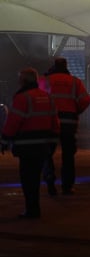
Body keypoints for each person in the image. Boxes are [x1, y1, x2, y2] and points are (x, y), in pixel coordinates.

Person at [0, 67, 61, 219]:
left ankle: (32, 210)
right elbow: (55, 120)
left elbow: (13, 122)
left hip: (27, 145)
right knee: (36, 176)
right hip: (43, 145)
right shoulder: (47, 97)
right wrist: (53, 141)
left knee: (28, 179)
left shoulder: (22, 98)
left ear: (23, 80)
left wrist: (4, 140)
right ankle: (35, 208)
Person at [41, 56, 90, 195]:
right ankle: (67, 186)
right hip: (69, 121)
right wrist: (76, 111)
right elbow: (86, 100)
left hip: (49, 121)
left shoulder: (45, 81)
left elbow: (36, 98)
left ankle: (50, 179)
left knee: (47, 152)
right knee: (68, 154)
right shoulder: (75, 82)